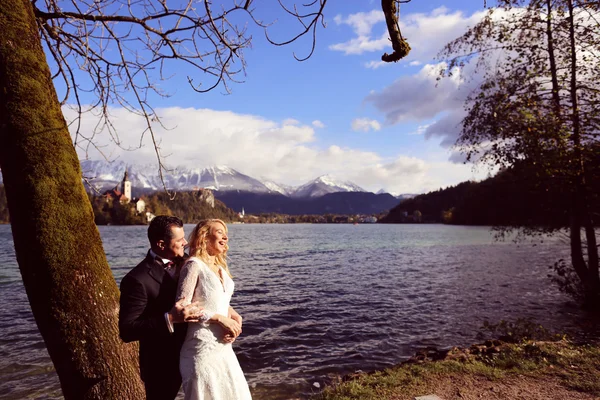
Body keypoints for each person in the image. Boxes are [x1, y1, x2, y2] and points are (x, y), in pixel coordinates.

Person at [119, 215, 203, 400]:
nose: (186, 243)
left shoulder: (192, 263)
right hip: (161, 363)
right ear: (161, 244)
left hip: (197, 352)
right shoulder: (136, 279)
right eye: (180, 240)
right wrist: (170, 318)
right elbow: (127, 330)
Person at [177, 219, 252, 400]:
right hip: (201, 350)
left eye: (226, 233)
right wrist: (220, 318)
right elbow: (182, 308)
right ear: (204, 236)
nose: (225, 237)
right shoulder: (194, 265)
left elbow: (217, 299)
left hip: (224, 349)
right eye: (219, 232)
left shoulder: (220, 267)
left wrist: (234, 316)